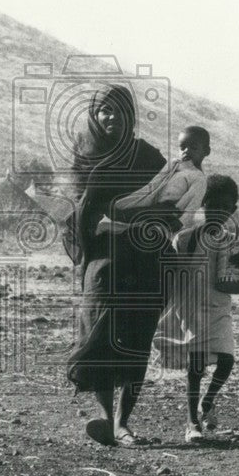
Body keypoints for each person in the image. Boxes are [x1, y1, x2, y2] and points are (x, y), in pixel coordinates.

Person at [65, 83, 176, 447]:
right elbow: (80, 213)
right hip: (104, 260)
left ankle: (123, 423)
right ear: (95, 116)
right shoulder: (85, 157)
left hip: (144, 258)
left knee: (137, 337)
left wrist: (138, 223)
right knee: (98, 332)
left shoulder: (150, 158)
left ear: (131, 116)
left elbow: (170, 206)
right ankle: (104, 415)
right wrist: (87, 250)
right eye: (104, 111)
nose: (111, 117)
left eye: (118, 110)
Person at [151, 174, 239, 443]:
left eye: (225, 209)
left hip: (220, 307)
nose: (218, 213)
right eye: (213, 206)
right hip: (189, 308)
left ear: (232, 211)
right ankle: (192, 423)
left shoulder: (234, 242)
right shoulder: (186, 239)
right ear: (203, 205)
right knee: (196, 365)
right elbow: (169, 272)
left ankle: (207, 400)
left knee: (226, 360)